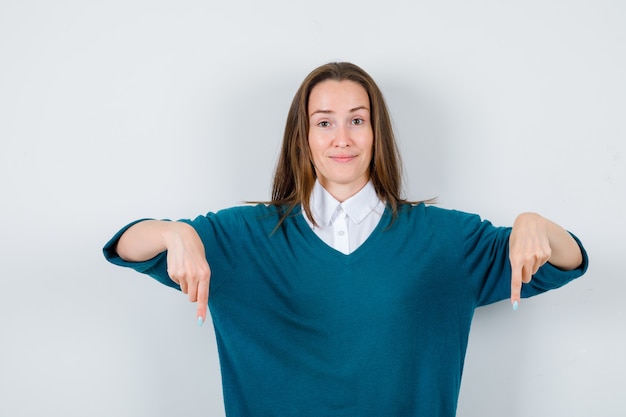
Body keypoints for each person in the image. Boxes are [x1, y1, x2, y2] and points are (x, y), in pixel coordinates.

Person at [103, 62, 588, 417]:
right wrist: (176, 232)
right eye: (324, 122)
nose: (342, 138)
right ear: (304, 136)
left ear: (376, 134)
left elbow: (567, 261)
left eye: (357, 120)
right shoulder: (242, 237)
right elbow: (126, 246)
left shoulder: (447, 241)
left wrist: (534, 224)